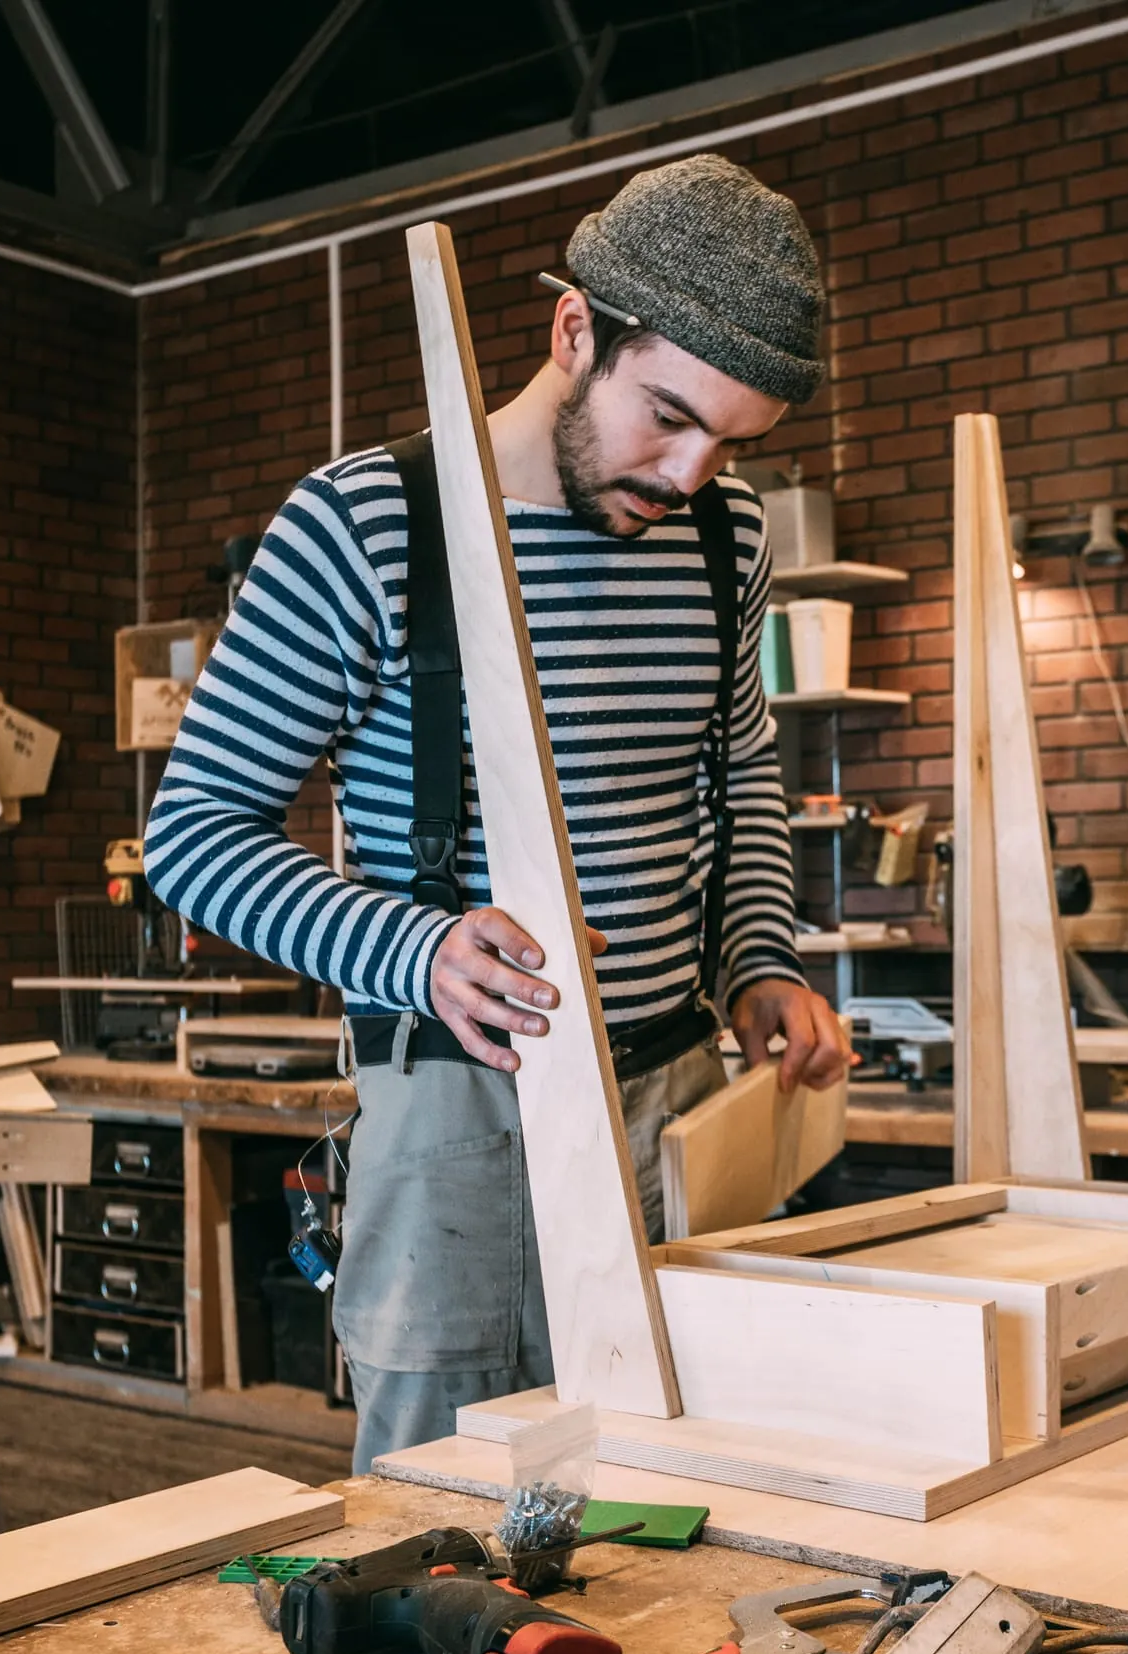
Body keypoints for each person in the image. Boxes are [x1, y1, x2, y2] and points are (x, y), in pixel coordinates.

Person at [143, 154, 848, 1468]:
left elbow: (741, 769)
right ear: (575, 329)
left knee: (670, 1484)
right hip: (455, 1114)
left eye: (731, 443)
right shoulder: (365, 525)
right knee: (443, 1504)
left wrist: (758, 957)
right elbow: (192, 838)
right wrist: (413, 950)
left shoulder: (721, 537)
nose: (691, 473)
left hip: (672, 1098)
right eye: (666, 418)